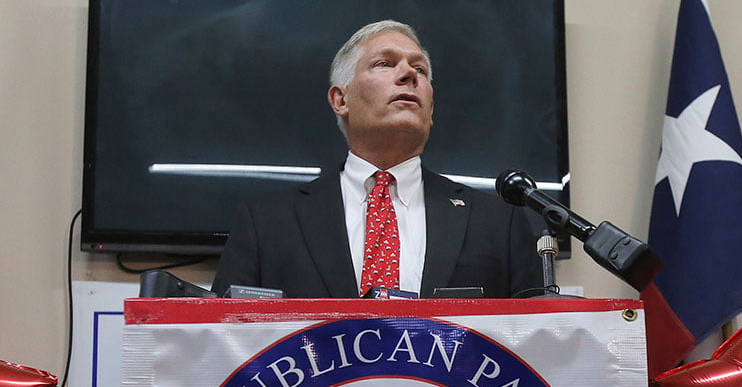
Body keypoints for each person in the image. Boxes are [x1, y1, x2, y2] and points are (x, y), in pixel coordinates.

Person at [211, 20, 540, 299]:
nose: (409, 75)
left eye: (420, 69)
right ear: (341, 99)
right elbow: (224, 344)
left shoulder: (499, 224)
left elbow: (532, 350)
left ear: (431, 109)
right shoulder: (265, 223)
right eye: (385, 63)